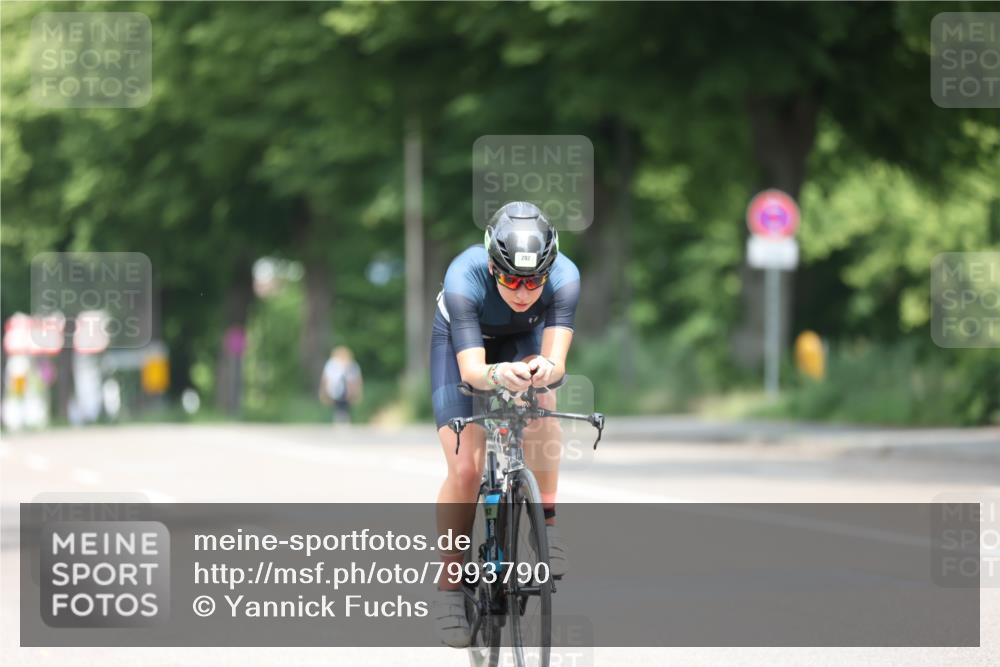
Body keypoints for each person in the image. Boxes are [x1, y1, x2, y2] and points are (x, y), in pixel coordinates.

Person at [429, 201, 580, 647]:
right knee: (465, 468)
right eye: (511, 279)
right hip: (462, 346)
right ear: (492, 265)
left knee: (544, 397)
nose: (522, 292)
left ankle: (546, 525)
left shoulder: (567, 278)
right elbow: (474, 372)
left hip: (521, 340)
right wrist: (498, 375)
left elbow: (556, 363)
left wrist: (541, 370)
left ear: (549, 271)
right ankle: (449, 587)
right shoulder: (464, 277)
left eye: (534, 281)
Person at [318, 346, 363, 423]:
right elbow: (326, 378)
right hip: (335, 389)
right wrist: (323, 391)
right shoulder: (332, 364)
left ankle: (343, 420)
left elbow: (357, 379)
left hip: (348, 390)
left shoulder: (352, 365)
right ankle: (340, 420)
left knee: (345, 406)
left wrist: (357, 391)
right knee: (338, 406)